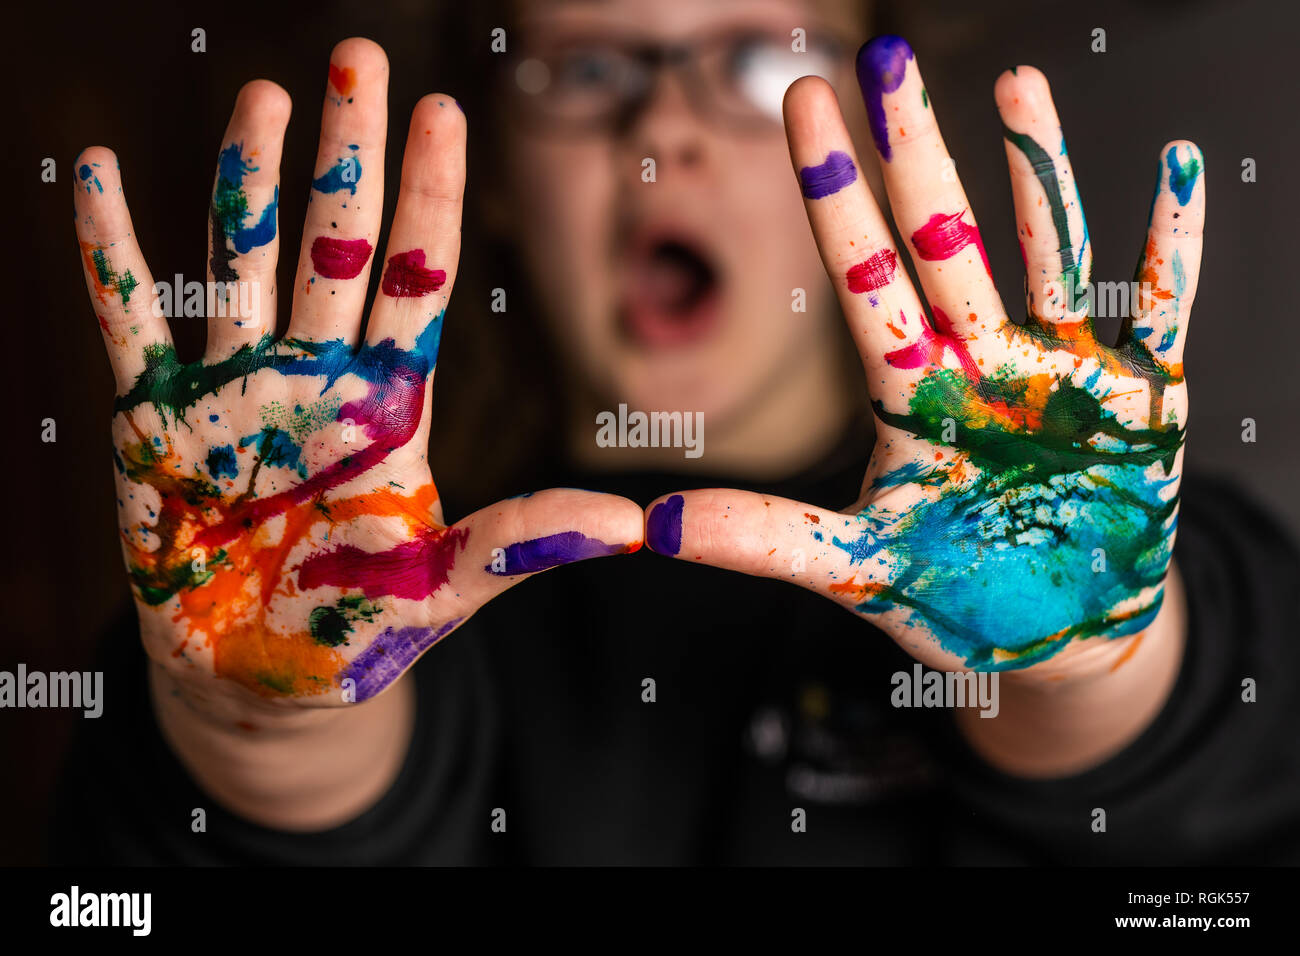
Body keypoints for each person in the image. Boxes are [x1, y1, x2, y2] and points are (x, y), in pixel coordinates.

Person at [53, 0, 1300, 865]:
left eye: (757, 62)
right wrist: (266, 725)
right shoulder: (317, 559)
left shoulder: (1119, 519)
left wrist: (1090, 668)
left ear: (877, 138)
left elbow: (1222, 838)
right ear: (495, 182)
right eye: (590, 69)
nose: (663, 132)